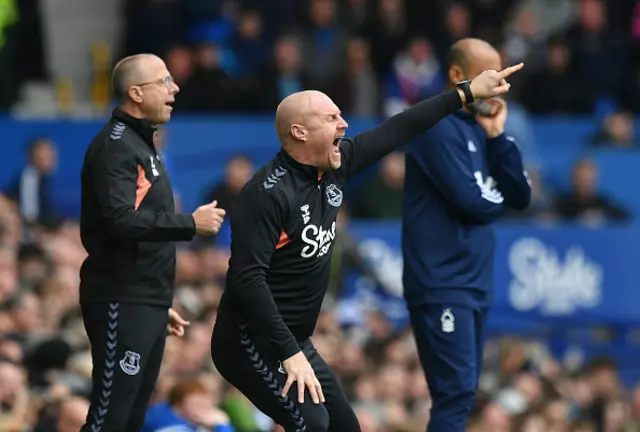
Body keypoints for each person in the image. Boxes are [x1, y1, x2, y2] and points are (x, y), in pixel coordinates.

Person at [210, 61, 524, 431]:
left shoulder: (337, 165)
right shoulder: (266, 195)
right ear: (299, 131)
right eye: (331, 119)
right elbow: (248, 280)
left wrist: (466, 92)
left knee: (346, 427)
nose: (343, 125)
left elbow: (399, 127)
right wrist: (289, 352)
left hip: (293, 339)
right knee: (312, 424)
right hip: (248, 340)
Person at [78, 54, 226, 432]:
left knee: (130, 419)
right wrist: (189, 224)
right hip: (120, 296)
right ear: (135, 93)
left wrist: (159, 300)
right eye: (164, 82)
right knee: (109, 417)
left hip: (144, 298)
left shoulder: (143, 145)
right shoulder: (117, 148)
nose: (174, 89)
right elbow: (120, 220)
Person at [401, 38, 532, 432]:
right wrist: (500, 198)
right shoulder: (435, 126)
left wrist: (497, 139)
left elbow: (521, 196)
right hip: (442, 282)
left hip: (473, 282)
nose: (499, 85)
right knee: (455, 394)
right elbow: (473, 201)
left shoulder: (482, 129)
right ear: (458, 76)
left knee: (463, 392)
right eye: (491, 75)